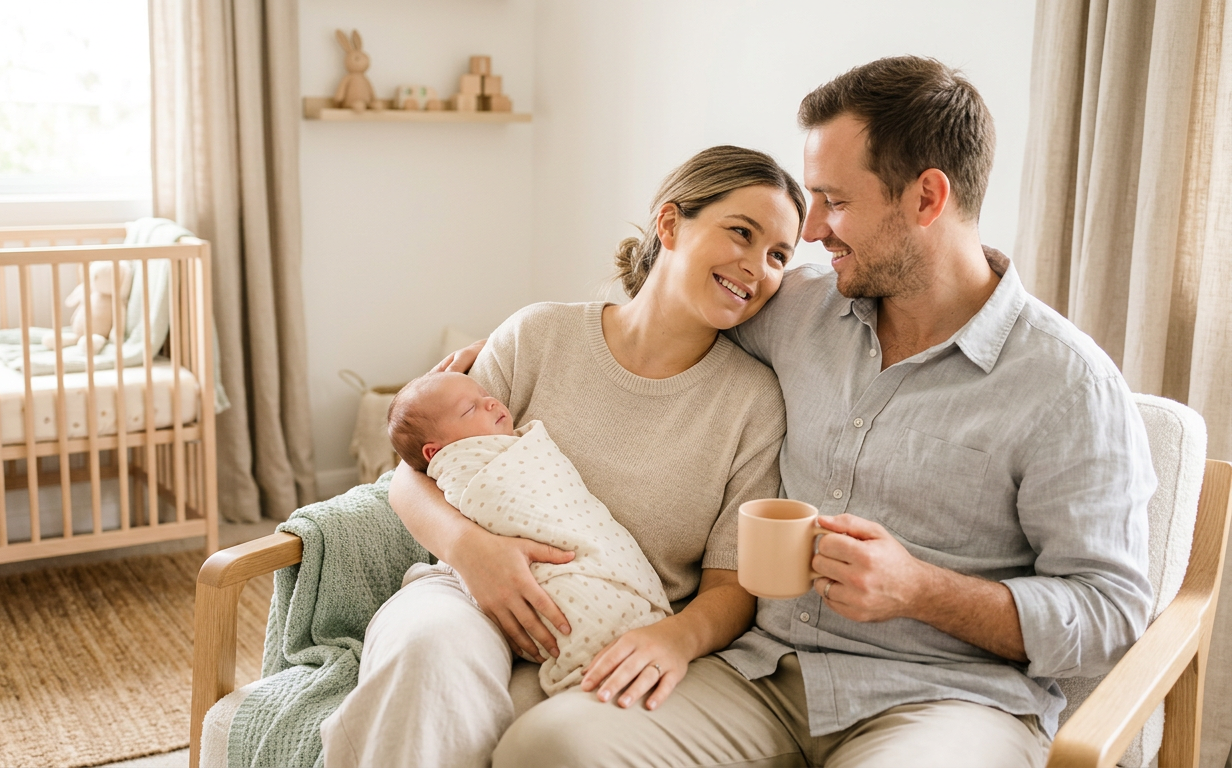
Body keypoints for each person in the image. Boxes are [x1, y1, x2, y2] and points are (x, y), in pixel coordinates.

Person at [491, 56, 1156, 768]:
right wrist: (509, 349)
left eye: (833, 200)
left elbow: (1112, 612)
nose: (811, 230)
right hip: (759, 678)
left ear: (927, 198)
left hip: (944, 701)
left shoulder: (1067, 384)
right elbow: (662, 316)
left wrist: (921, 590)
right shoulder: (799, 309)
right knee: (549, 745)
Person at [318, 145, 806, 768]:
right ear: (670, 223)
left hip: (610, 629)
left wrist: (674, 640)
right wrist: (474, 555)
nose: (756, 266)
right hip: (469, 594)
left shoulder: (753, 403)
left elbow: (731, 582)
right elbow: (410, 479)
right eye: (742, 232)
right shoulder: (539, 335)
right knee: (427, 656)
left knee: (541, 737)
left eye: (779, 256)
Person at [384, 370, 673, 695]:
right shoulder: (463, 464)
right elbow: (405, 480)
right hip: (468, 573)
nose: (491, 402)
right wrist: (466, 546)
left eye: (484, 395)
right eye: (470, 409)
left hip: (582, 571)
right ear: (434, 454)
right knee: (422, 651)